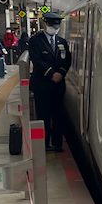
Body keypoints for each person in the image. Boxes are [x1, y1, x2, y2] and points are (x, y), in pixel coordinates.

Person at [29, 13, 72, 152]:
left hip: (58, 86)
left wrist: (61, 73)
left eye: (57, 26)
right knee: (43, 116)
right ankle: (45, 144)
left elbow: (67, 60)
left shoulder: (62, 42)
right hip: (42, 85)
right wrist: (52, 74)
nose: (55, 28)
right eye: (52, 25)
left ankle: (57, 143)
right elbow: (36, 60)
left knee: (58, 115)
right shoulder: (35, 41)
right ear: (44, 24)